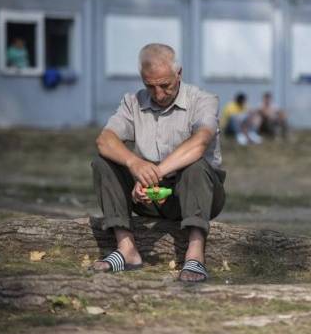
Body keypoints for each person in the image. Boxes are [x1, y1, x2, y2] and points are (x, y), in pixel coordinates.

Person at [91, 43, 225, 283]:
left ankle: (195, 254)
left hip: (199, 193)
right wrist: (134, 163)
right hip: (146, 195)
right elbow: (104, 140)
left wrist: (153, 173)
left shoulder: (204, 100)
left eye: (165, 85)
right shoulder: (132, 102)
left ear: (179, 73)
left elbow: (200, 142)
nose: (159, 94)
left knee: (195, 165)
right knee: (103, 162)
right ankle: (126, 249)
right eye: (150, 86)